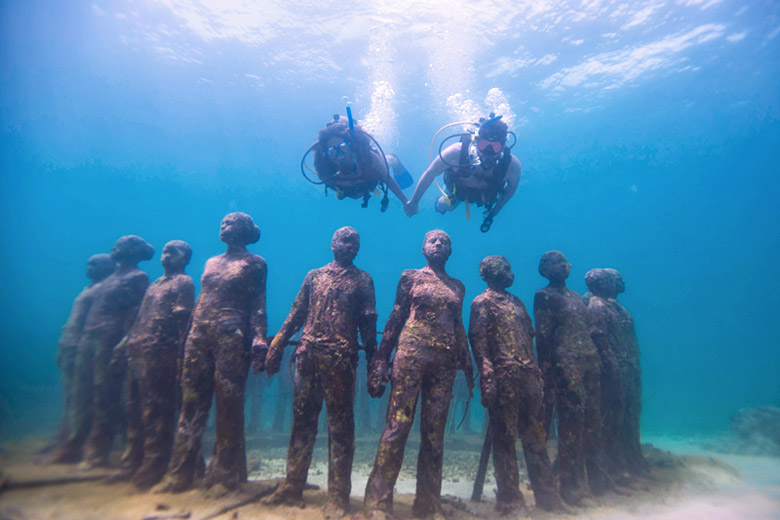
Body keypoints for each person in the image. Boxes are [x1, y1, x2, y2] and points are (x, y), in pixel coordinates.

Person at [263, 226, 378, 519]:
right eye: (344, 240)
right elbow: (297, 312)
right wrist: (276, 344)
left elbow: (367, 324)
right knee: (302, 421)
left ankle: (338, 496)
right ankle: (292, 486)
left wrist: (376, 360)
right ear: (332, 244)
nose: (350, 245)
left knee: (341, 427)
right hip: (308, 356)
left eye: (355, 241)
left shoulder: (363, 280)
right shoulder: (314, 276)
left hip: (341, 361)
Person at [154, 213, 268, 494]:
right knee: (191, 402)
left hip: (231, 335)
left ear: (244, 230)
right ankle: (181, 471)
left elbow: (258, 302)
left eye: (231, 222)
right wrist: (186, 339)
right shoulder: (211, 262)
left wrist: (259, 337)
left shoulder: (254, 263)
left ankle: (225, 475)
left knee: (228, 404)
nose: (224, 225)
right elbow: (201, 301)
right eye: (222, 222)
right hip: (199, 335)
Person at [364, 230, 473, 520]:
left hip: (444, 361)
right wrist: (381, 358)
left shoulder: (458, 286)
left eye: (445, 242)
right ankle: (377, 502)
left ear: (450, 251)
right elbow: (396, 316)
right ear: (423, 247)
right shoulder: (410, 277)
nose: (438, 244)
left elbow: (458, 325)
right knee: (397, 426)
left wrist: (469, 363)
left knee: (435, 434)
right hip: (411, 355)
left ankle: (428, 504)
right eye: (433, 240)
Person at [469, 256, 565, 514]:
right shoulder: (482, 302)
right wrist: (487, 374)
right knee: (505, 438)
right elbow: (478, 341)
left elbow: (528, 338)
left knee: (536, 437)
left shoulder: (518, 302)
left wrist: (538, 374)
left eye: (510, 267)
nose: (511, 272)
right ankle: (510, 499)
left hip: (528, 375)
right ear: (489, 272)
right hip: (504, 375)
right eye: (505, 267)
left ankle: (548, 497)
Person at [54, 236, 153, 466]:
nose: (114, 247)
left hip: (109, 338)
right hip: (88, 338)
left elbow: (136, 314)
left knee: (104, 393)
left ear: (131, 251)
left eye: (120, 245)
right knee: (81, 392)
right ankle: (74, 443)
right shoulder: (108, 279)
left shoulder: (138, 277)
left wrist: (125, 342)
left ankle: (98, 450)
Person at [109, 241, 195, 489]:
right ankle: (131, 460)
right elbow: (139, 319)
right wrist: (124, 344)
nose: (166, 256)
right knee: (133, 409)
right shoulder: (153, 285)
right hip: (138, 352)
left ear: (185, 259)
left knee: (155, 410)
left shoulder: (184, 283)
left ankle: (155, 463)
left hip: (161, 354)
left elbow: (183, 322)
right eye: (165, 251)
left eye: (173, 252)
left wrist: (181, 357)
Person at [534, 251, 607, 506]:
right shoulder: (544, 297)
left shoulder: (577, 298)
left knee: (593, 421)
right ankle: (572, 486)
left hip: (589, 360)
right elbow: (543, 338)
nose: (565, 264)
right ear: (545, 268)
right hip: (566, 362)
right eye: (558, 261)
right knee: (571, 424)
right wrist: (547, 371)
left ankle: (594, 479)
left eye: (565, 261)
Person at [403, 114, 521, 232]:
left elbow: (511, 188)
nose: (488, 152)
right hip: (456, 191)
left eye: (495, 147)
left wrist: (496, 209)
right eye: (484, 145)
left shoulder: (511, 165)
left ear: (504, 145)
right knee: (449, 206)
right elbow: (430, 173)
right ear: (477, 140)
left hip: (484, 197)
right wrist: (414, 201)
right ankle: (440, 204)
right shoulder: (456, 152)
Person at [54, 254, 115, 448]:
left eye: (94, 264)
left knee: (81, 395)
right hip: (70, 344)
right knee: (70, 394)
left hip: (82, 346)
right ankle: (65, 436)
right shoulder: (89, 288)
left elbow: (94, 321)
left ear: (106, 268)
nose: (89, 267)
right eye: (89, 263)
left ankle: (75, 441)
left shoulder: (102, 290)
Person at [305, 111, 411, 211]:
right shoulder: (325, 165)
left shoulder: (368, 156)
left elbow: (387, 178)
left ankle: (393, 159)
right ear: (327, 155)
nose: (340, 156)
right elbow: (327, 180)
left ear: (352, 147)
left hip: (372, 174)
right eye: (333, 152)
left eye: (343, 148)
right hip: (360, 185)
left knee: (385, 164)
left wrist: (406, 202)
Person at [585, 268, 628, 482]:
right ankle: (607, 466)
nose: (616, 283)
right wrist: (610, 363)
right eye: (611, 280)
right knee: (609, 415)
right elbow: (599, 337)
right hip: (610, 366)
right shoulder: (597, 305)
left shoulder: (610, 305)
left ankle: (617, 462)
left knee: (618, 414)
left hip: (620, 363)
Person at [608, 269, 649, 477]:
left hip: (630, 367)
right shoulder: (598, 306)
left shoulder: (619, 308)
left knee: (632, 414)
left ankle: (633, 458)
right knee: (616, 416)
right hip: (618, 369)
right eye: (618, 279)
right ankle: (617, 465)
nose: (623, 281)